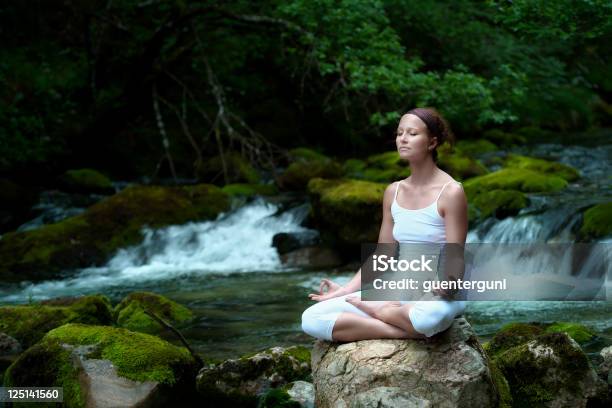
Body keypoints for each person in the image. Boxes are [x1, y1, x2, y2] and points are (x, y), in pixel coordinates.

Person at [301, 107, 468, 342]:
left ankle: (382, 313)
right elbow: (384, 253)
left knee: (427, 318)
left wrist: (447, 283)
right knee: (312, 319)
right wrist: (347, 289)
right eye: (400, 133)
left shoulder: (451, 192)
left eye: (412, 133)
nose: (403, 139)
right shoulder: (393, 191)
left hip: (437, 291)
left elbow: (456, 253)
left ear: (432, 143)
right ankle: (403, 331)